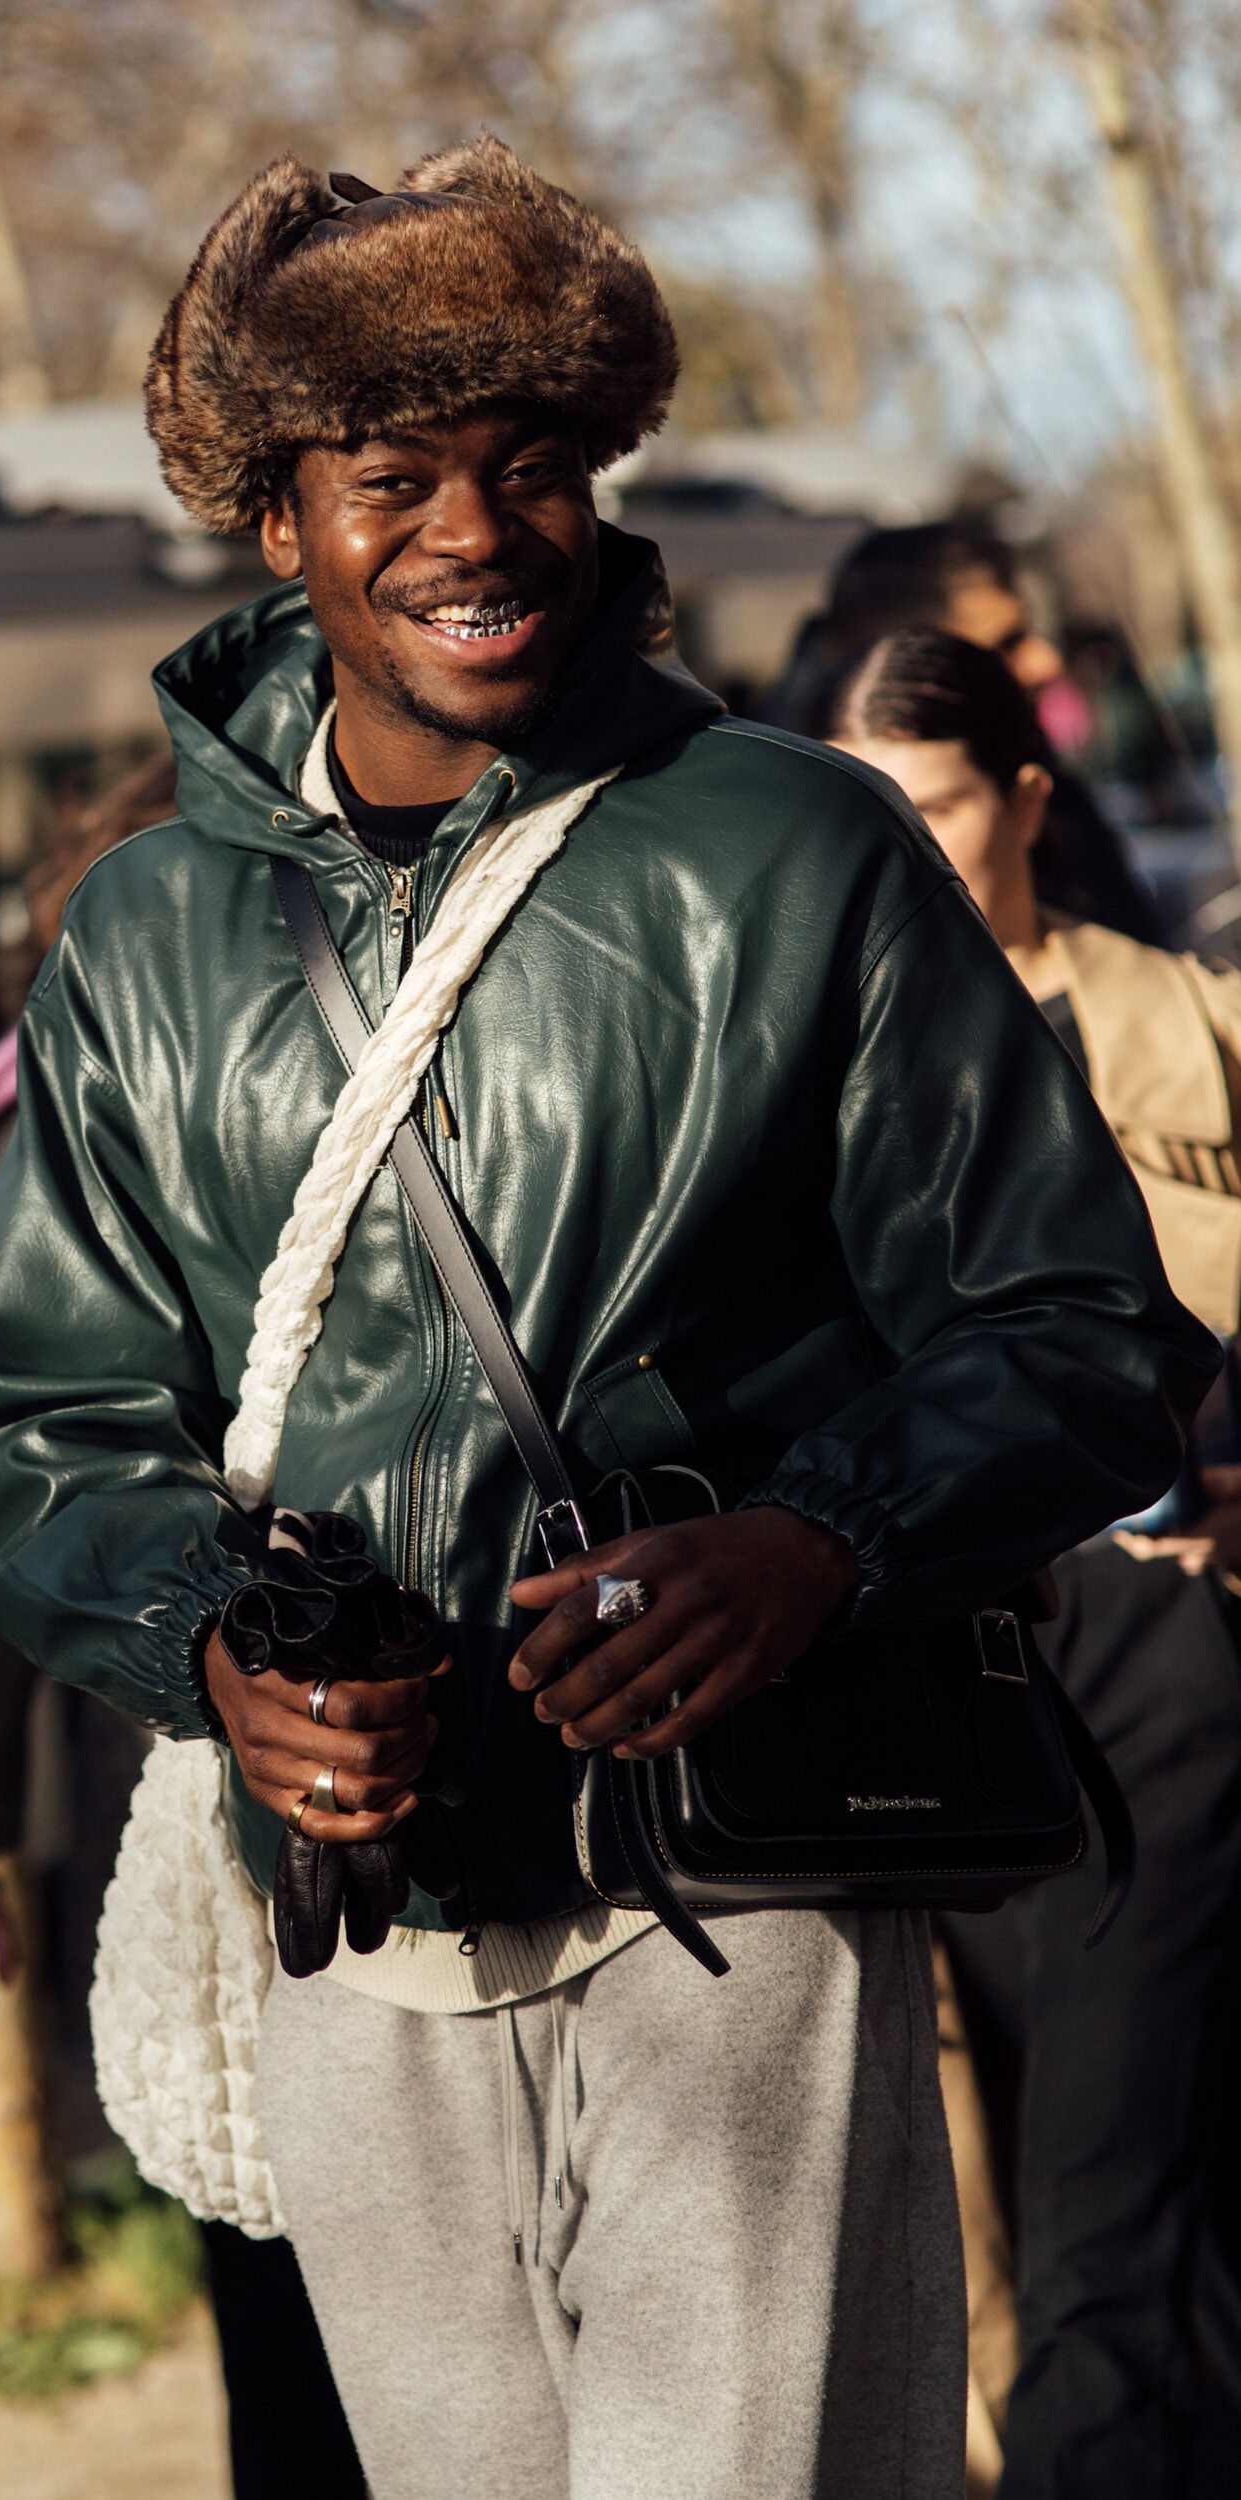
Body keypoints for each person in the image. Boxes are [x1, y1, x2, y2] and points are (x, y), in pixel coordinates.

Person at [0, 138, 1213, 2500]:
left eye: (526, 467)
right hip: (356, 1919)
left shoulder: (795, 852)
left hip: (739, 1879)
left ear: (598, 480)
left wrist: (817, 1537)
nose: (470, 534)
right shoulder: (141, 943)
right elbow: (36, 1436)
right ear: (277, 515)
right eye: (388, 474)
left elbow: (1080, 1325)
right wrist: (219, 1648)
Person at [0, 756, 367, 2500]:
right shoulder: (97, 1123)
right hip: (228, 1755)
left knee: (283, 2281)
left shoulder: (50, 1125)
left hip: (187, 1759)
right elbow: (6, 1505)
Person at [830, 627, 1241, 2500]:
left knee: (1095, 2202)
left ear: (1024, 801)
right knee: (1020, 2203)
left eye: (934, 812)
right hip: (917, 1688)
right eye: (867, 823)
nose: (906, 860)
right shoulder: (796, 1076)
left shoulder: (1184, 1027)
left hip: (1165, 1667)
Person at [765, 520, 1160, 944]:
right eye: (1006, 643)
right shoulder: (776, 819)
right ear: (897, 668)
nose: (1044, 662)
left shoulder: (1026, 763)